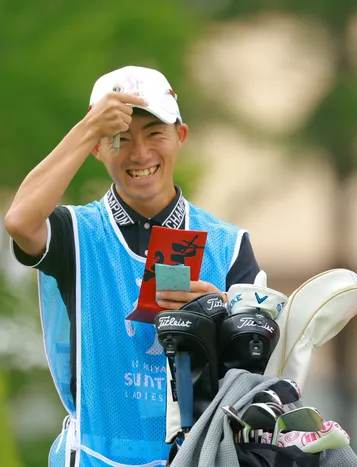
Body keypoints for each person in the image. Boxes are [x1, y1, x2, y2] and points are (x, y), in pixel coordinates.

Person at [5, 66, 260, 467]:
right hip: (92, 458)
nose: (140, 154)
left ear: (181, 136)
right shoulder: (75, 232)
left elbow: (253, 371)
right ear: (97, 148)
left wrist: (219, 310)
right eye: (120, 138)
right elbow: (19, 222)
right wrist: (88, 127)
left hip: (194, 458)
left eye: (155, 134)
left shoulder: (229, 245)